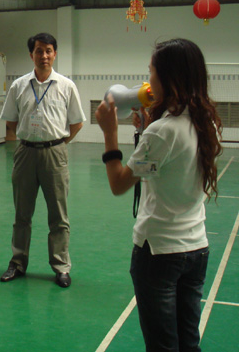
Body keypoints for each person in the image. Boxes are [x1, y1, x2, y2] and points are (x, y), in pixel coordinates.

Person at [95, 38, 222, 352]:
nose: (148, 79)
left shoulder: (162, 131)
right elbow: (164, 163)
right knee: (188, 342)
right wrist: (148, 129)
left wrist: (110, 133)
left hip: (159, 252)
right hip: (196, 248)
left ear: (168, 78)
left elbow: (119, 184)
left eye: (151, 72)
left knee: (162, 346)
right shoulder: (206, 122)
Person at [0, 32, 85, 288]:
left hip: (55, 153)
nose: (44, 55)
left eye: (48, 50)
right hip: (25, 152)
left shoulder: (66, 86)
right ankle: (17, 262)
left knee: (58, 215)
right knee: (22, 214)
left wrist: (58, 144)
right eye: (39, 51)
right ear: (31, 55)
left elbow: (77, 123)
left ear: (54, 54)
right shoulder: (19, 86)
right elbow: (11, 122)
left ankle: (61, 266)